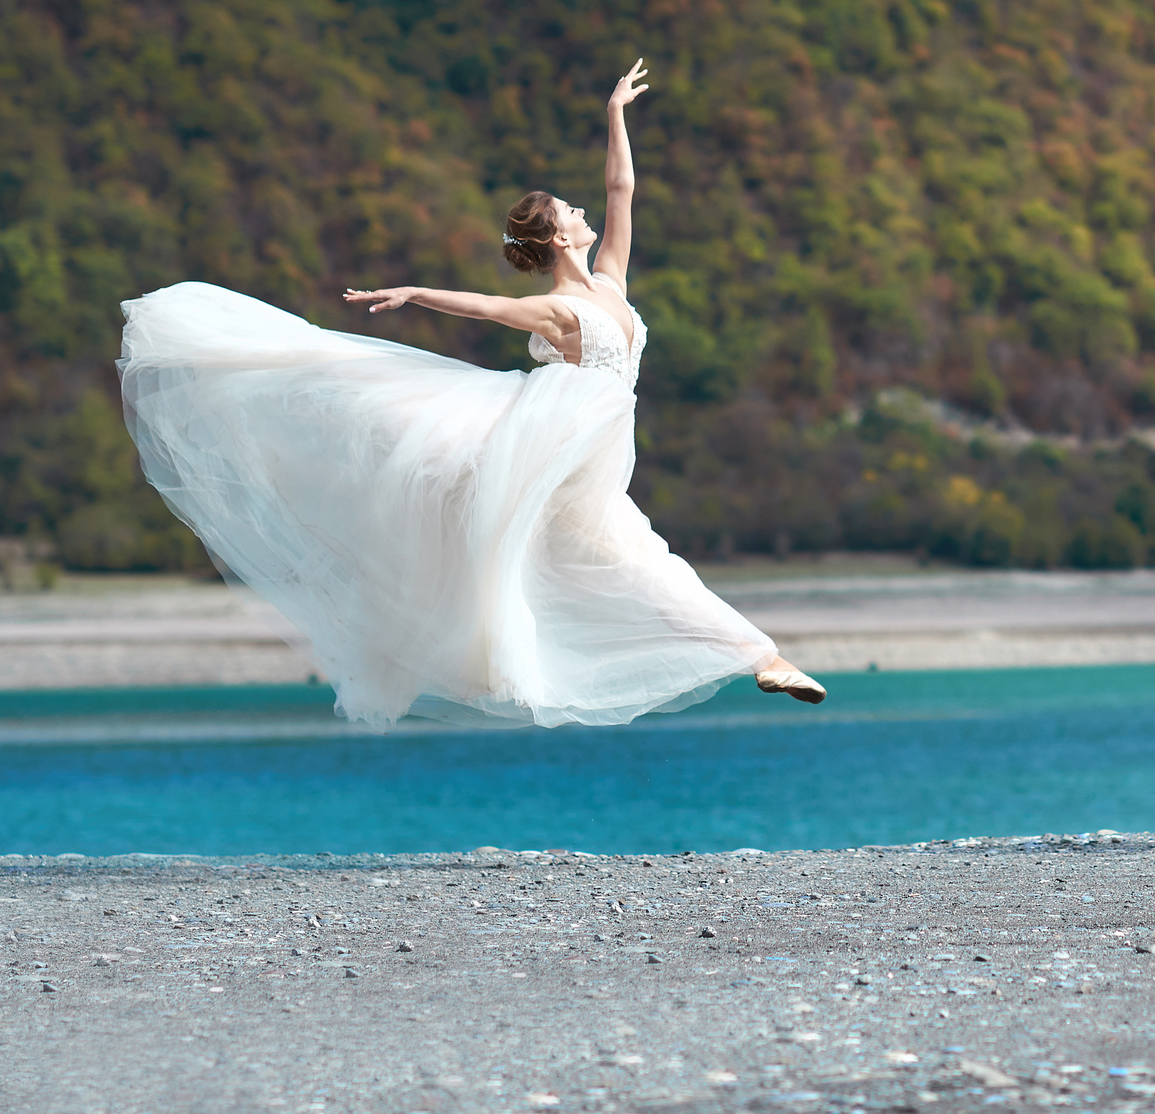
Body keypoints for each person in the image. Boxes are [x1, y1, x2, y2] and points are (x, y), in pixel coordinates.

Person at [117, 58, 828, 727]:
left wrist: (616, 113)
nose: (584, 209)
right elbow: (485, 306)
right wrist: (413, 292)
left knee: (630, 561)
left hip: (599, 451)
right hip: (564, 452)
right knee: (632, 557)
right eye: (568, 209)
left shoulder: (609, 281)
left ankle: (742, 655)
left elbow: (622, 191)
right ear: (556, 237)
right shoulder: (561, 310)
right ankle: (759, 655)